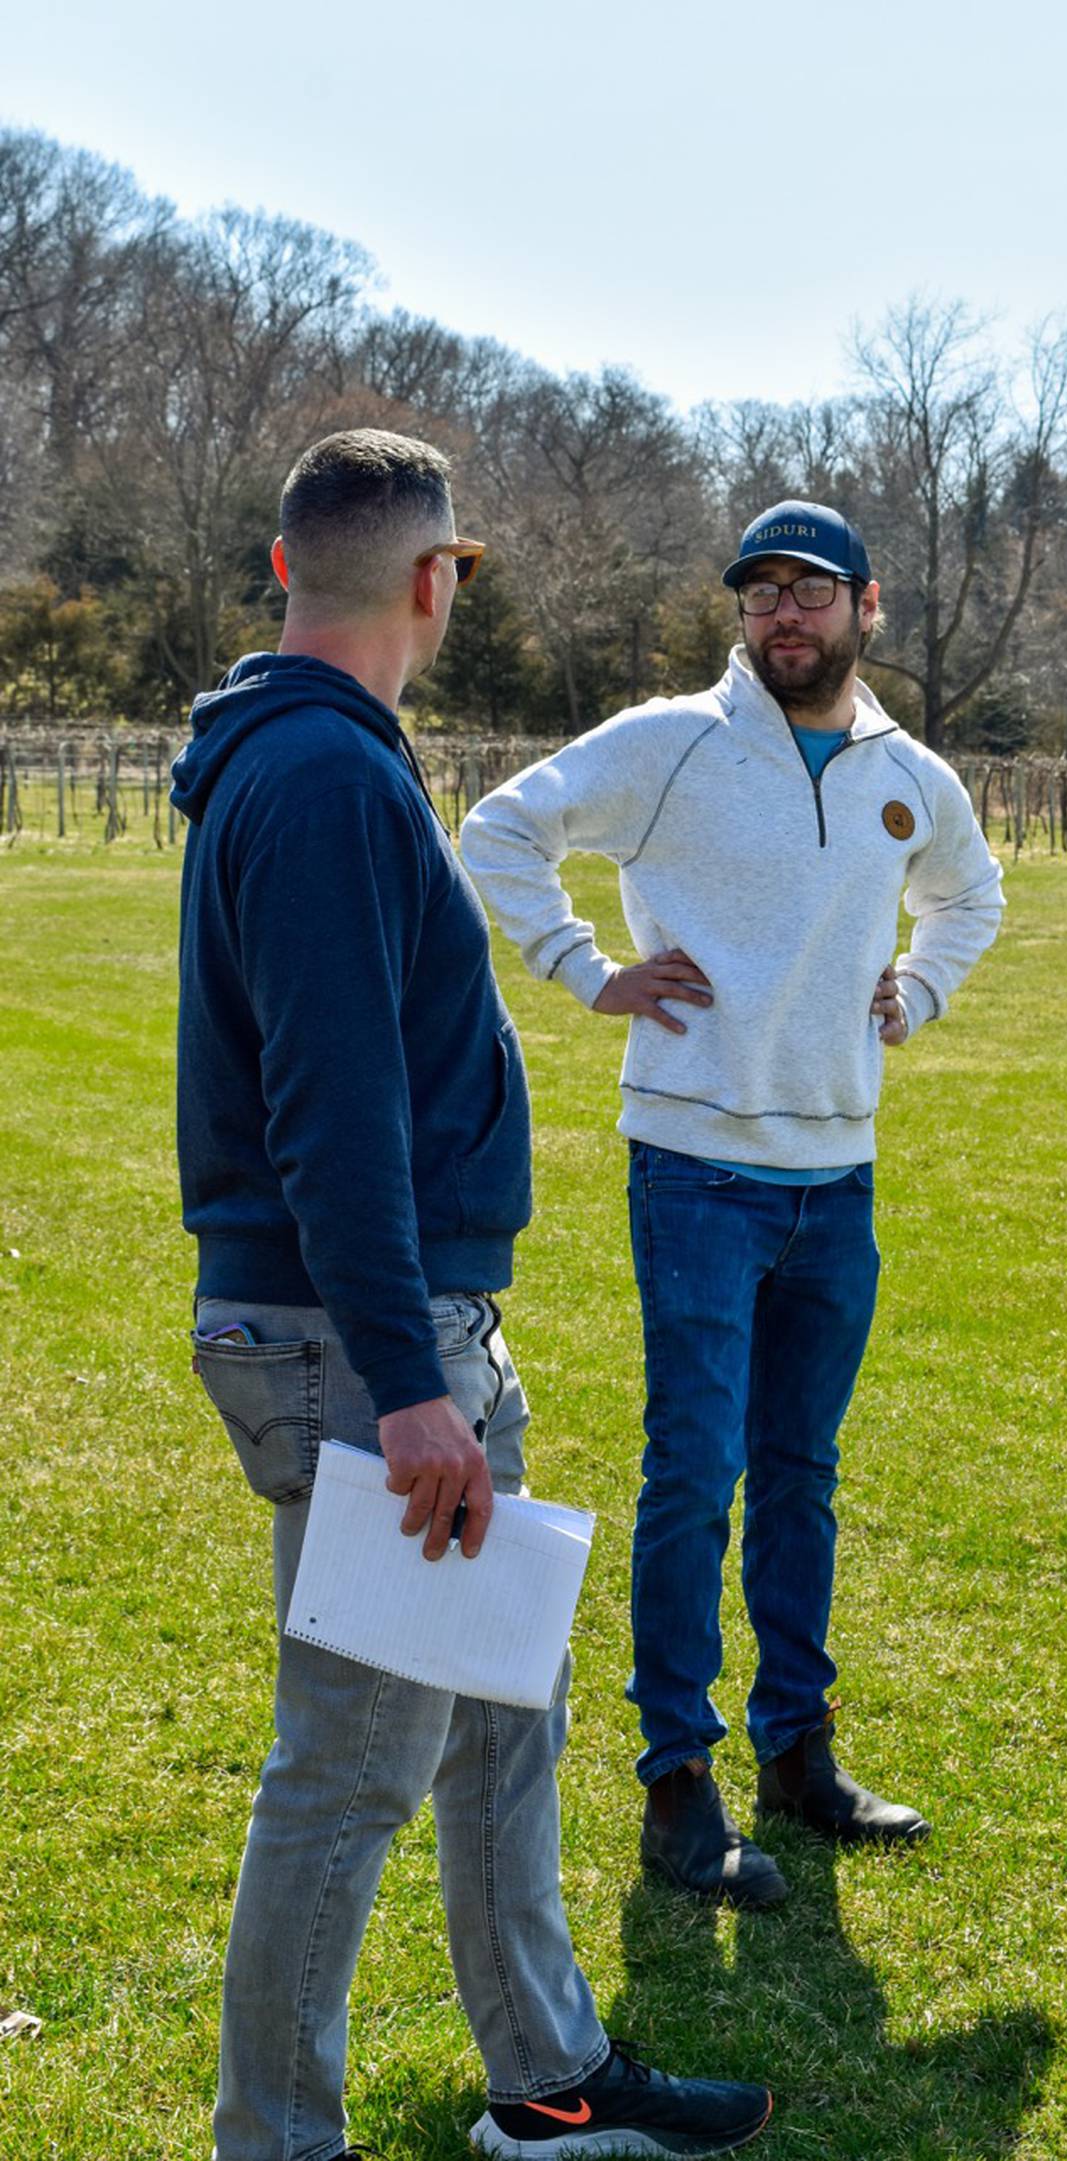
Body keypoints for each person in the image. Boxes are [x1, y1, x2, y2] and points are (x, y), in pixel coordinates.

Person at [172, 428, 773, 2161]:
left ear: (290, 566)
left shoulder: (307, 759)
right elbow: (331, 1108)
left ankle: (550, 2078)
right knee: (352, 1764)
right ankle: (276, 2141)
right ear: (434, 583)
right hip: (371, 1344)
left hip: (407, 1329)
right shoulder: (323, 782)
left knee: (504, 1713)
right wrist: (409, 1379)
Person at [462, 498, 1005, 1910]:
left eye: (808, 592)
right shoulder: (675, 742)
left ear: (865, 608)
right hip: (696, 1171)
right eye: (759, 592)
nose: (781, 616)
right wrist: (591, 971)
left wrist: (922, 984)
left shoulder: (907, 775)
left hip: (838, 1178)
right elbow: (502, 828)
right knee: (694, 1473)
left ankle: (799, 1754)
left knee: (803, 1476)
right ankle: (675, 1782)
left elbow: (973, 895)